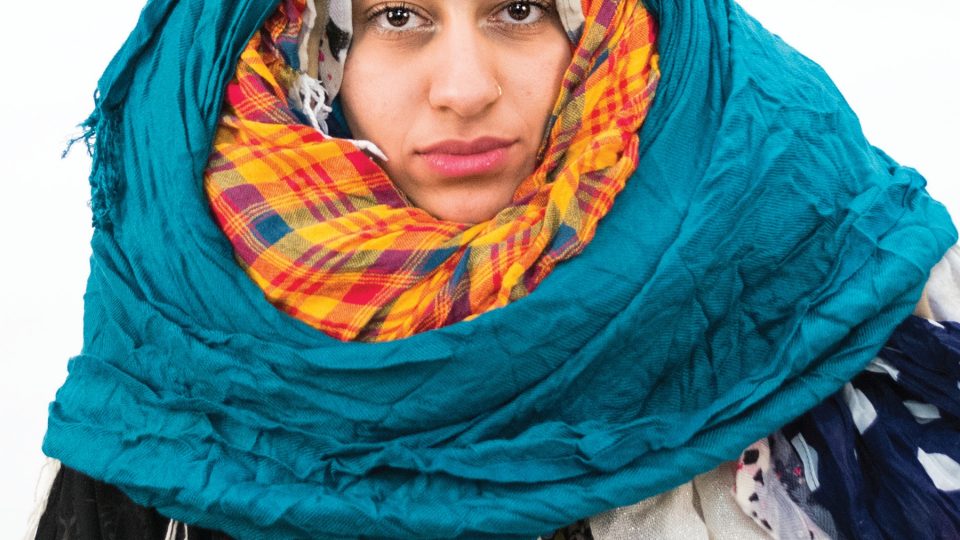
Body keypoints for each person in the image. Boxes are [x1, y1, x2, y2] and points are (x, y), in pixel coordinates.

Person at [32, 0, 959, 538]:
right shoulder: (179, 363)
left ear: (601, 30)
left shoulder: (808, 265)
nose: (465, 88)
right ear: (310, 54)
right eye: (400, 17)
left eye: (519, 9)